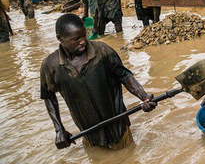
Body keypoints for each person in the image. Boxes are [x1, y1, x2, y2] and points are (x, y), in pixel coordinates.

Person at [40, 14, 157, 150]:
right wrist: (59, 129)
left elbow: (125, 76)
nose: (83, 41)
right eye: (76, 39)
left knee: (128, 155)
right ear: (60, 39)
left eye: (84, 35)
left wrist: (144, 97)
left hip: (119, 129)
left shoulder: (102, 51)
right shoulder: (50, 66)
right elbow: (48, 97)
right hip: (89, 135)